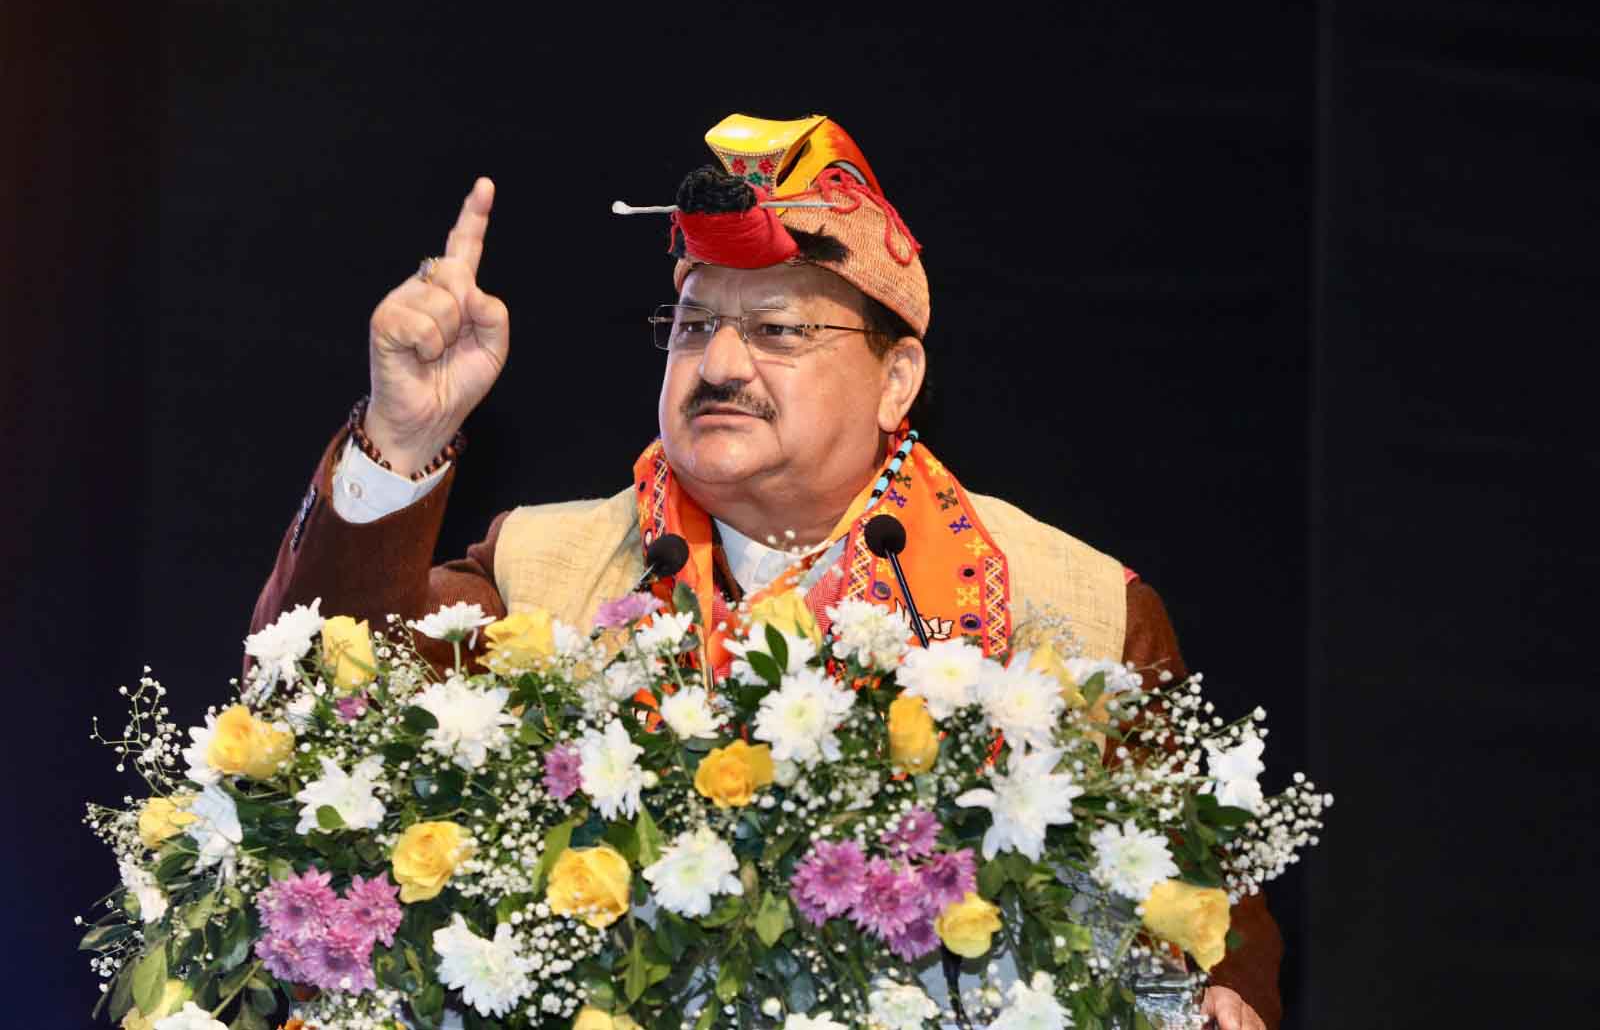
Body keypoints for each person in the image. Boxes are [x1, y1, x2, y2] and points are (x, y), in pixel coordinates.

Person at [247, 114, 1281, 1030]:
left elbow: (1202, 926)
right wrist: (400, 432)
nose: (722, 364)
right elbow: (313, 704)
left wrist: (1221, 995)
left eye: (779, 329)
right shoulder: (540, 573)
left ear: (897, 378)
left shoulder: (1077, 608)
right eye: (693, 325)